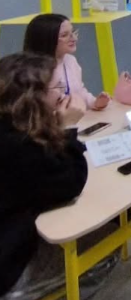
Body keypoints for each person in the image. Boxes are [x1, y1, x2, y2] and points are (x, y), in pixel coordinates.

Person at [0, 52, 118, 300]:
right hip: (8, 263)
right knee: (111, 236)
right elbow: (72, 181)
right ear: (34, 96)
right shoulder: (19, 149)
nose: (63, 94)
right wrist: (68, 128)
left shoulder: (12, 126)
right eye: (57, 88)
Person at [23, 14, 110, 111]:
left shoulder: (71, 61)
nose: (74, 38)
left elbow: (79, 92)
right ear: (46, 40)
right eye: (64, 35)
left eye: (73, 32)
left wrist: (94, 102)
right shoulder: (34, 71)